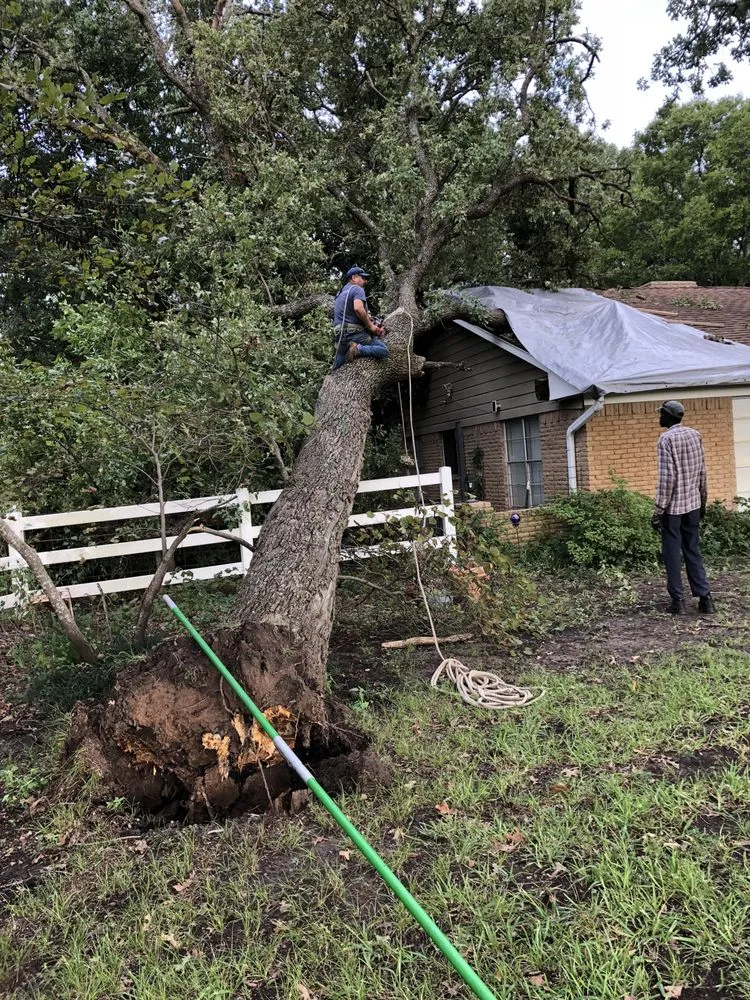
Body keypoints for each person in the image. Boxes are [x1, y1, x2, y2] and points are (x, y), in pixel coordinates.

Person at [651, 400, 715, 615]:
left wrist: (658, 510)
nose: (659, 417)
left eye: (661, 414)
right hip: (694, 504)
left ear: (669, 416)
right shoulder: (695, 435)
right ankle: (705, 599)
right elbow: (702, 472)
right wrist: (703, 501)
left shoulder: (666, 439)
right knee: (693, 550)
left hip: (673, 509)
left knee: (671, 553)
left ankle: (677, 601)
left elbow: (667, 479)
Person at [332, 266, 389, 370]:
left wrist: (368, 318)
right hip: (353, 334)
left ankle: (331, 375)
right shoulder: (357, 289)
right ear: (353, 278)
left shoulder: (340, 293)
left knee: (337, 368)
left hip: (339, 335)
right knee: (383, 350)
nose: (365, 281)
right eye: (363, 278)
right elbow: (358, 309)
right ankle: (357, 349)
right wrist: (371, 327)